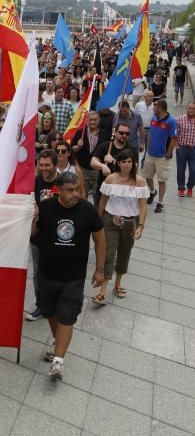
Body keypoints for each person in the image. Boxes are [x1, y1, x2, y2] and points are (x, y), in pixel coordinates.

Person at [31, 172, 105, 379]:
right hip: (47, 274)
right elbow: (32, 234)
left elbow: (100, 240)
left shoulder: (88, 210)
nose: (76, 194)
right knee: (50, 312)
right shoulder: (45, 208)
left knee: (66, 316)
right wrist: (32, 218)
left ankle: (58, 361)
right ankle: (58, 344)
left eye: (78, 189)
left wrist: (99, 270)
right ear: (59, 190)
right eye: (70, 190)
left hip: (74, 277)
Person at [92, 149, 149, 304]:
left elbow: (143, 207)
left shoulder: (140, 182)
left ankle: (118, 284)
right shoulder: (110, 179)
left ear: (134, 163)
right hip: (110, 220)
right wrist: (98, 222)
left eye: (129, 161)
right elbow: (102, 202)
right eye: (123, 161)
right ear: (118, 163)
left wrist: (141, 226)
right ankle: (102, 291)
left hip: (130, 222)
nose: (127, 164)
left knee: (124, 254)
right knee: (108, 254)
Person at [25, 149, 59, 322]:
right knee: (38, 273)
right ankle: (41, 305)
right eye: (41, 165)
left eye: (48, 165)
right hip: (37, 236)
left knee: (56, 272)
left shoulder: (62, 183)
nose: (44, 168)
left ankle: (56, 303)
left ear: (55, 165)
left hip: (57, 238)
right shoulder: (35, 182)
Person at [143, 99, 178, 213]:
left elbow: (173, 138)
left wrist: (168, 153)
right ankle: (152, 192)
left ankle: (160, 202)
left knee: (161, 180)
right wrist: (147, 148)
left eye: (155, 107)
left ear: (161, 108)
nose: (153, 109)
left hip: (163, 157)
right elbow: (150, 134)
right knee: (147, 177)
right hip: (150, 154)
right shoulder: (153, 118)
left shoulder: (171, 121)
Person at [90, 122, 131, 196]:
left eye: (127, 134)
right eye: (121, 133)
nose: (124, 135)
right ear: (115, 133)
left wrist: (113, 161)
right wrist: (103, 166)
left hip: (121, 188)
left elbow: (132, 167)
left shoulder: (130, 149)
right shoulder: (105, 146)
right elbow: (93, 162)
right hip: (103, 187)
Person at [72, 111, 103, 204]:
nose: (93, 122)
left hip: (98, 171)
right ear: (86, 121)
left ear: (99, 120)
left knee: (97, 196)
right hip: (83, 170)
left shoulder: (105, 134)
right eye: (90, 119)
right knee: (82, 196)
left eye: (95, 120)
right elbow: (72, 149)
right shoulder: (80, 133)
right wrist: (78, 146)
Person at [175, 101, 195, 197]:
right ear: (186, 108)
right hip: (182, 148)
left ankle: (190, 187)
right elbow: (174, 134)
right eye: (190, 108)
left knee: (193, 170)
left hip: (193, 150)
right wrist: (176, 146)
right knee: (181, 169)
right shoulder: (179, 119)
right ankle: (181, 188)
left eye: (193, 109)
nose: (191, 110)